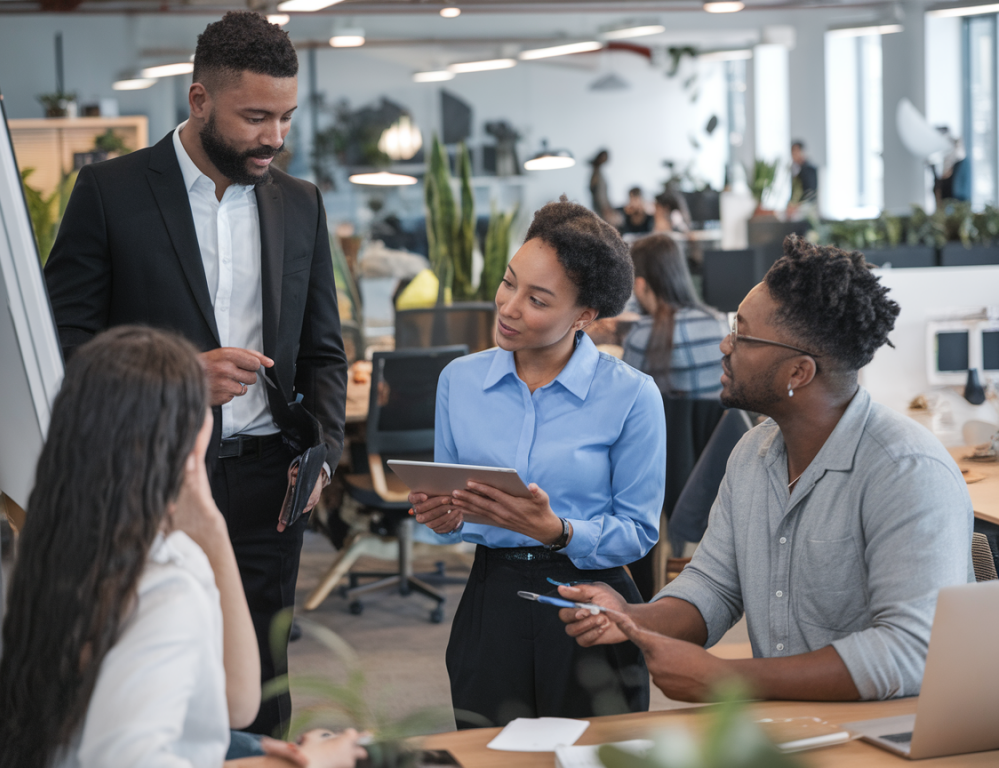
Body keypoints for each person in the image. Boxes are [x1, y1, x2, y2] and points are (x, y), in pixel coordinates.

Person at [42, 12, 347, 736]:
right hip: (152, 479)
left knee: (264, 683)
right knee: (159, 668)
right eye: (255, 117)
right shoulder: (110, 193)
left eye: (286, 117)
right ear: (199, 101)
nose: (274, 137)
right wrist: (177, 375)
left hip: (273, 480)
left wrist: (323, 455)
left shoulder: (300, 203)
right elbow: (63, 342)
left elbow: (325, 349)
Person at [560, 235, 974, 703]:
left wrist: (729, 679)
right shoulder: (753, 452)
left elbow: (910, 653)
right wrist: (630, 616)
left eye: (742, 334)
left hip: (886, 738)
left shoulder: (906, 472)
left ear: (798, 373)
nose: (725, 343)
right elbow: (714, 584)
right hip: (788, 731)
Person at [0, 327, 365, 768]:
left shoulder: (65, 544)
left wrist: (213, 534)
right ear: (182, 439)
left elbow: (236, 706)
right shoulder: (165, 585)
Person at [409, 197, 666, 728]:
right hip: (491, 597)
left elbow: (639, 531)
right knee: (487, 752)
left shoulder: (632, 396)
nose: (508, 307)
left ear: (585, 316)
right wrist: (444, 518)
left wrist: (560, 531)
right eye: (509, 283)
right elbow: (449, 516)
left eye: (538, 300)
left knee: (592, 757)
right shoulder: (458, 381)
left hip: (588, 602)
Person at [622, 234, 728, 398]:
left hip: (665, 424)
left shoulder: (640, 336)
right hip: (720, 423)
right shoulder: (718, 323)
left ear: (641, 284)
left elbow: (626, 398)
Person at [588, 149, 621, 227]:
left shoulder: (598, 172)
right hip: (602, 208)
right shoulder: (597, 174)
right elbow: (599, 193)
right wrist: (606, 209)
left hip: (603, 207)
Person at [787, 140, 817, 217]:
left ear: (802, 152)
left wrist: (797, 206)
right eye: (792, 153)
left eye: (795, 153)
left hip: (807, 209)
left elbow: (811, 192)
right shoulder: (795, 170)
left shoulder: (809, 170)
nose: (793, 156)